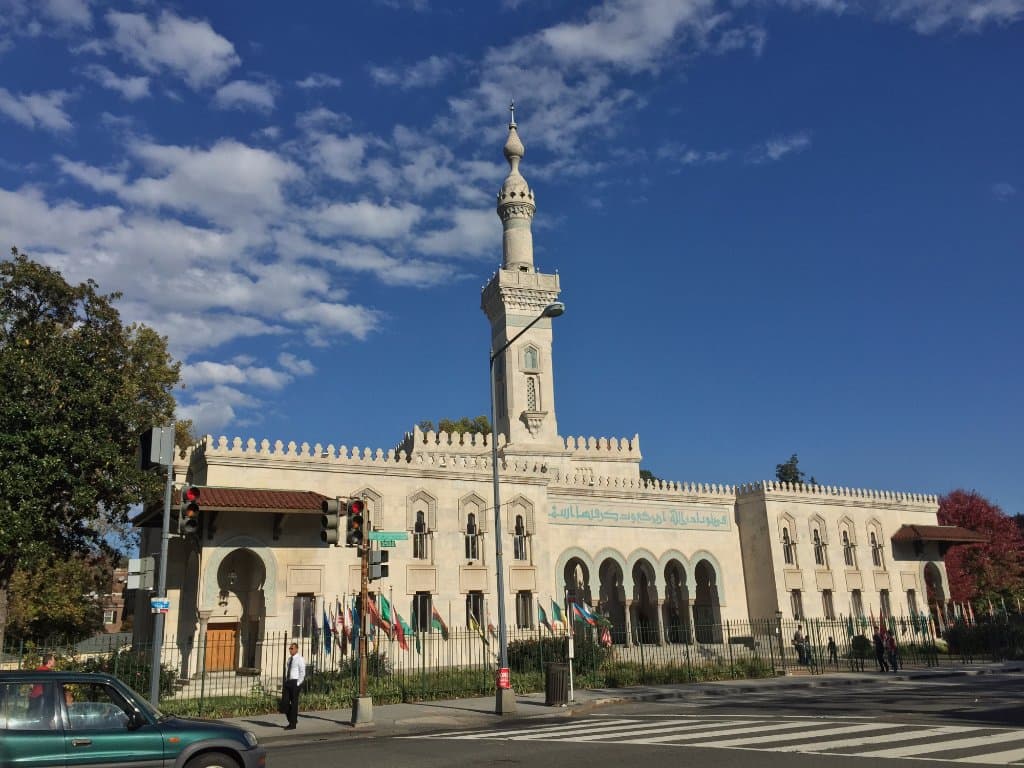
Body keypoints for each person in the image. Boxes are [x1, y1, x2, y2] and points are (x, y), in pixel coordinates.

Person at [282, 642, 305, 730]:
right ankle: (293, 719)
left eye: (292, 648)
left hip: (295, 682)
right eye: (290, 648)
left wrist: (298, 683)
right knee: (284, 703)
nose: (290, 650)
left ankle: (292, 724)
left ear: (296, 649)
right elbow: (287, 670)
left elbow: (302, 672)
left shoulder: (300, 659)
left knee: (294, 703)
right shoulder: (289, 659)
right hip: (288, 682)